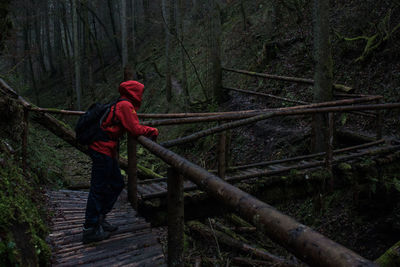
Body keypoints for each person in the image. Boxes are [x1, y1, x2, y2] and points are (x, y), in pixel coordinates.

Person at [82, 78, 159, 244]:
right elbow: (135, 129)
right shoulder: (125, 105)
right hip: (101, 150)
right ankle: (90, 228)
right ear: (135, 93)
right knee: (98, 188)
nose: (142, 96)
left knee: (116, 183)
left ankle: (100, 218)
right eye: (140, 93)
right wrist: (152, 130)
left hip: (105, 150)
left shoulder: (121, 103)